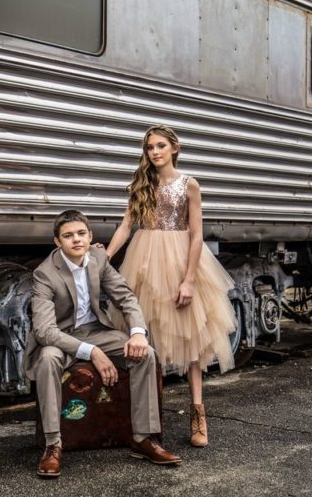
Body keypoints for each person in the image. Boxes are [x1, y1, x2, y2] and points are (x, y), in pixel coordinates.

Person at [105, 125, 237, 448]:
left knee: (190, 342)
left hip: (180, 261)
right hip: (146, 261)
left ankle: (198, 412)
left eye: (161, 146)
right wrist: (105, 256)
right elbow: (126, 225)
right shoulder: (143, 184)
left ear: (174, 148)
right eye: (150, 147)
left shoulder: (189, 185)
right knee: (148, 338)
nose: (155, 152)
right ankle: (150, 420)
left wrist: (189, 279)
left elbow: (196, 235)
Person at [26, 209, 181, 478]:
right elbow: (44, 331)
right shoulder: (45, 274)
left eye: (81, 234)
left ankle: (143, 439)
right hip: (60, 337)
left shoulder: (98, 257)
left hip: (96, 330)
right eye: (68, 236)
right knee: (48, 359)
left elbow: (126, 297)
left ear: (90, 236)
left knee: (146, 354)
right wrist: (92, 352)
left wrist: (137, 332)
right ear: (57, 242)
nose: (76, 240)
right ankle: (53, 445)